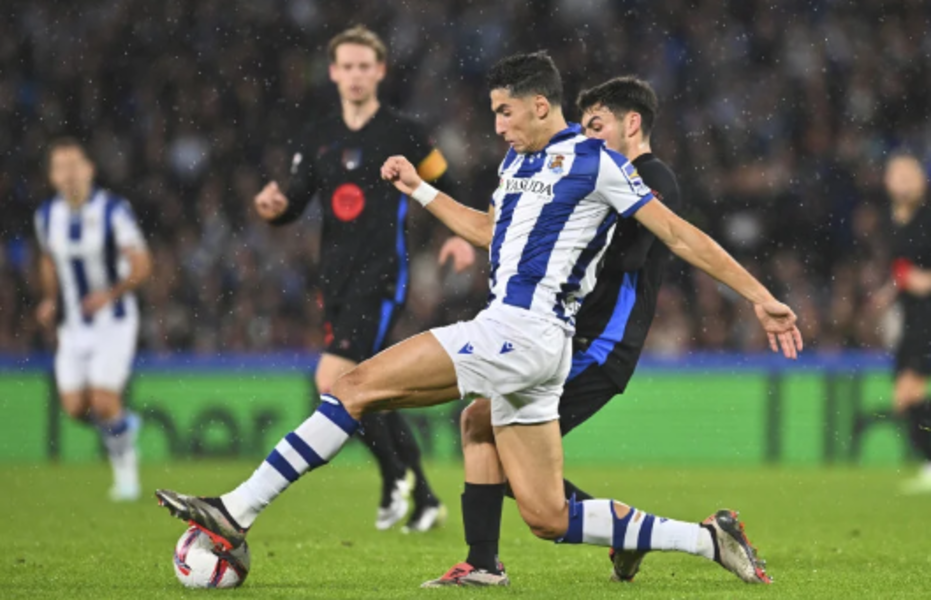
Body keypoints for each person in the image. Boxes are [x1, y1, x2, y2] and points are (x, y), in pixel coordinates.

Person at [156, 51, 801, 587]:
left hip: (520, 330)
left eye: (506, 111)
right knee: (548, 515)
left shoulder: (595, 160)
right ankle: (708, 540)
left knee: (352, 388)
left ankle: (234, 510)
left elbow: (681, 235)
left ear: (541, 106)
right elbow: (491, 230)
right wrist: (420, 190)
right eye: (494, 112)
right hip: (535, 349)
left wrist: (757, 294)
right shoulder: (517, 164)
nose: (497, 125)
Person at [423, 75, 688, 587]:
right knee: (484, 428)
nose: (586, 137)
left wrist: (569, 227)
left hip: (602, 343)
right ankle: (487, 561)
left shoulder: (652, 178)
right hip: (566, 336)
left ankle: (619, 536)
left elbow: (632, 253)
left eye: (597, 125)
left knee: (497, 442)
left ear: (632, 123)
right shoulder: (588, 172)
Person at [252, 25, 463, 532]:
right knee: (371, 388)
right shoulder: (318, 134)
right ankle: (424, 495)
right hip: (335, 280)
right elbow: (295, 198)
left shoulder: (405, 132)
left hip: (382, 273)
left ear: (380, 71)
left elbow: (447, 183)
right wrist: (274, 209)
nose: (354, 75)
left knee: (333, 380)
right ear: (332, 72)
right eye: (346, 66)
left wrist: (459, 235)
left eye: (364, 66)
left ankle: (395, 477)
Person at [35, 137, 152, 501]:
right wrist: (51, 300)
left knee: (103, 400)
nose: (69, 174)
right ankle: (122, 426)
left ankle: (127, 478)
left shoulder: (113, 210)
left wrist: (110, 294)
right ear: (53, 176)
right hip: (74, 327)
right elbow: (48, 260)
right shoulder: (46, 216)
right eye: (60, 167)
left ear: (89, 170)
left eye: (74, 165)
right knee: (74, 408)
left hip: (114, 321)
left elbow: (142, 265)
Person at [885, 154, 931, 493]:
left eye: (909, 174)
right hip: (912, 318)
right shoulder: (894, 219)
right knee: (903, 398)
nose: (903, 180)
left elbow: (918, 273)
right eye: (896, 174)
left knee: (910, 391)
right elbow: (903, 268)